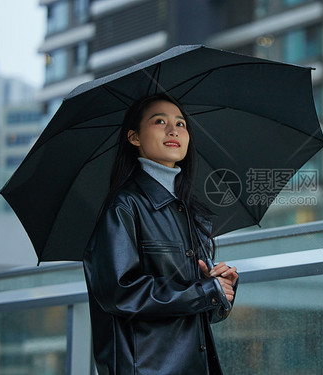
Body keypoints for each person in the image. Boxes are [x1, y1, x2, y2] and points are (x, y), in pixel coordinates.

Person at [83, 93, 239, 375]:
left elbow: (198, 311)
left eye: (181, 124)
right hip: (147, 369)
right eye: (159, 121)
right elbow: (119, 292)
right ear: (134, 137)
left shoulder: (192, 212)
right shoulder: (124, 207)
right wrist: (203, 291)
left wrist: (218, 288)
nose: (173, 130)